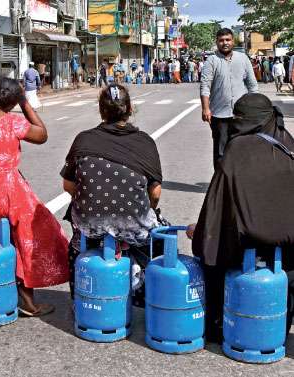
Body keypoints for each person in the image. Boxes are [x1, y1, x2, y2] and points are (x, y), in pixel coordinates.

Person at [188, 93, 294, 343]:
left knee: (211, 250)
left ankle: (216, 324)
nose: (235, 121)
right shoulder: (289, 144)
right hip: (289, 254)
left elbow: (217, 210)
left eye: (239, 117)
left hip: (248, 249)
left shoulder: (237, 149)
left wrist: (201, 232)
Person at [0, 76, 69, 316]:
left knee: (4, 230)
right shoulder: (12, 122)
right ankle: (27, 299)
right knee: (38, 231)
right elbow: (42, 135)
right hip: (5, 195)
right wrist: (26, 104)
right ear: (14, 102)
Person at [61, 84, 163, 304]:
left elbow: (68, 186)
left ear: (101, 111)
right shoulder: (145, 142)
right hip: (134, 223)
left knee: (75, 241)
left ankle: (78, 298)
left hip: (89, 223)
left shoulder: (84, 139)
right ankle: (149, 298)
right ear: (129, 109)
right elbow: (155, 193)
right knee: (160, 240)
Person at [200, 28, 258, 168]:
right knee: (221, 152)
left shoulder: (243, 58)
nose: (225, 43)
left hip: (241, 115)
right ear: (217, 42)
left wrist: (255, 107)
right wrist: (206, 108)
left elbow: (252, 85)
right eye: (221, 40)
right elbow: (205, 86)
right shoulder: (211, 61)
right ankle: (220, 185)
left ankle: (238, 183)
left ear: (233, 41)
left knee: (242, 149)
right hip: (220, 115)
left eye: (228, 40)